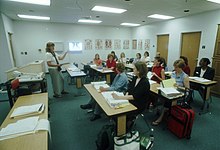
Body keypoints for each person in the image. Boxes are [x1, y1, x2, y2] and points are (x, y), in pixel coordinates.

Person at [112, 62, 150, 130]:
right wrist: (126, 95)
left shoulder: (145, 82)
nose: (133, 70)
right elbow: (129, 89)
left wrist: (119, 97)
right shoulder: (135, 78)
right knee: (115, 110)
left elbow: (134, 96)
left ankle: (124, 127)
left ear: (139, 71)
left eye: (134, 69)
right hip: (131, 100)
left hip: (138, 104)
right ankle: (121, 126)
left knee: (120, 113)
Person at [152, 59, 189, 126]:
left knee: (168, 101)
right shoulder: (173, 73)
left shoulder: (185, 76)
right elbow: (171, 82)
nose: (174, 69)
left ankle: (162, 116)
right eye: (174, 67)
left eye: (176, 67)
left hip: (180, 94)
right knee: (161, 95)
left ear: (181, 68)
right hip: (172, 90)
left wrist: (179, 87)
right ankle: (164, 110)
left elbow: (187, 90)